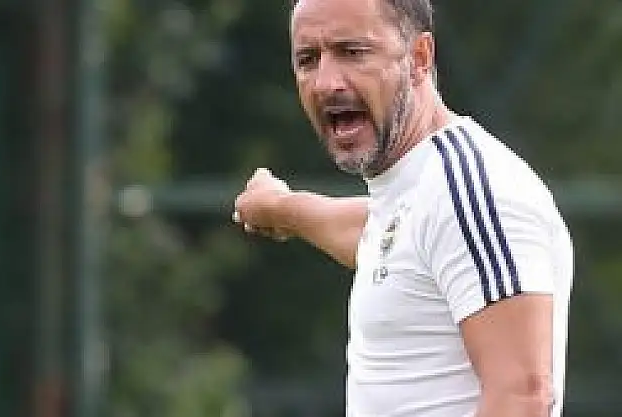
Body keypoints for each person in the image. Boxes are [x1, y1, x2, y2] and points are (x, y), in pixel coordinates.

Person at [232, 0, 575, 416]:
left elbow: (522, 395)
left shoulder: (470, 190)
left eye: (352, 52)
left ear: (419, 58)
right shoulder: (414, 197)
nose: (325, 82)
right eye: (308, 60)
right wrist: (280, 208)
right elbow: (384, 238)